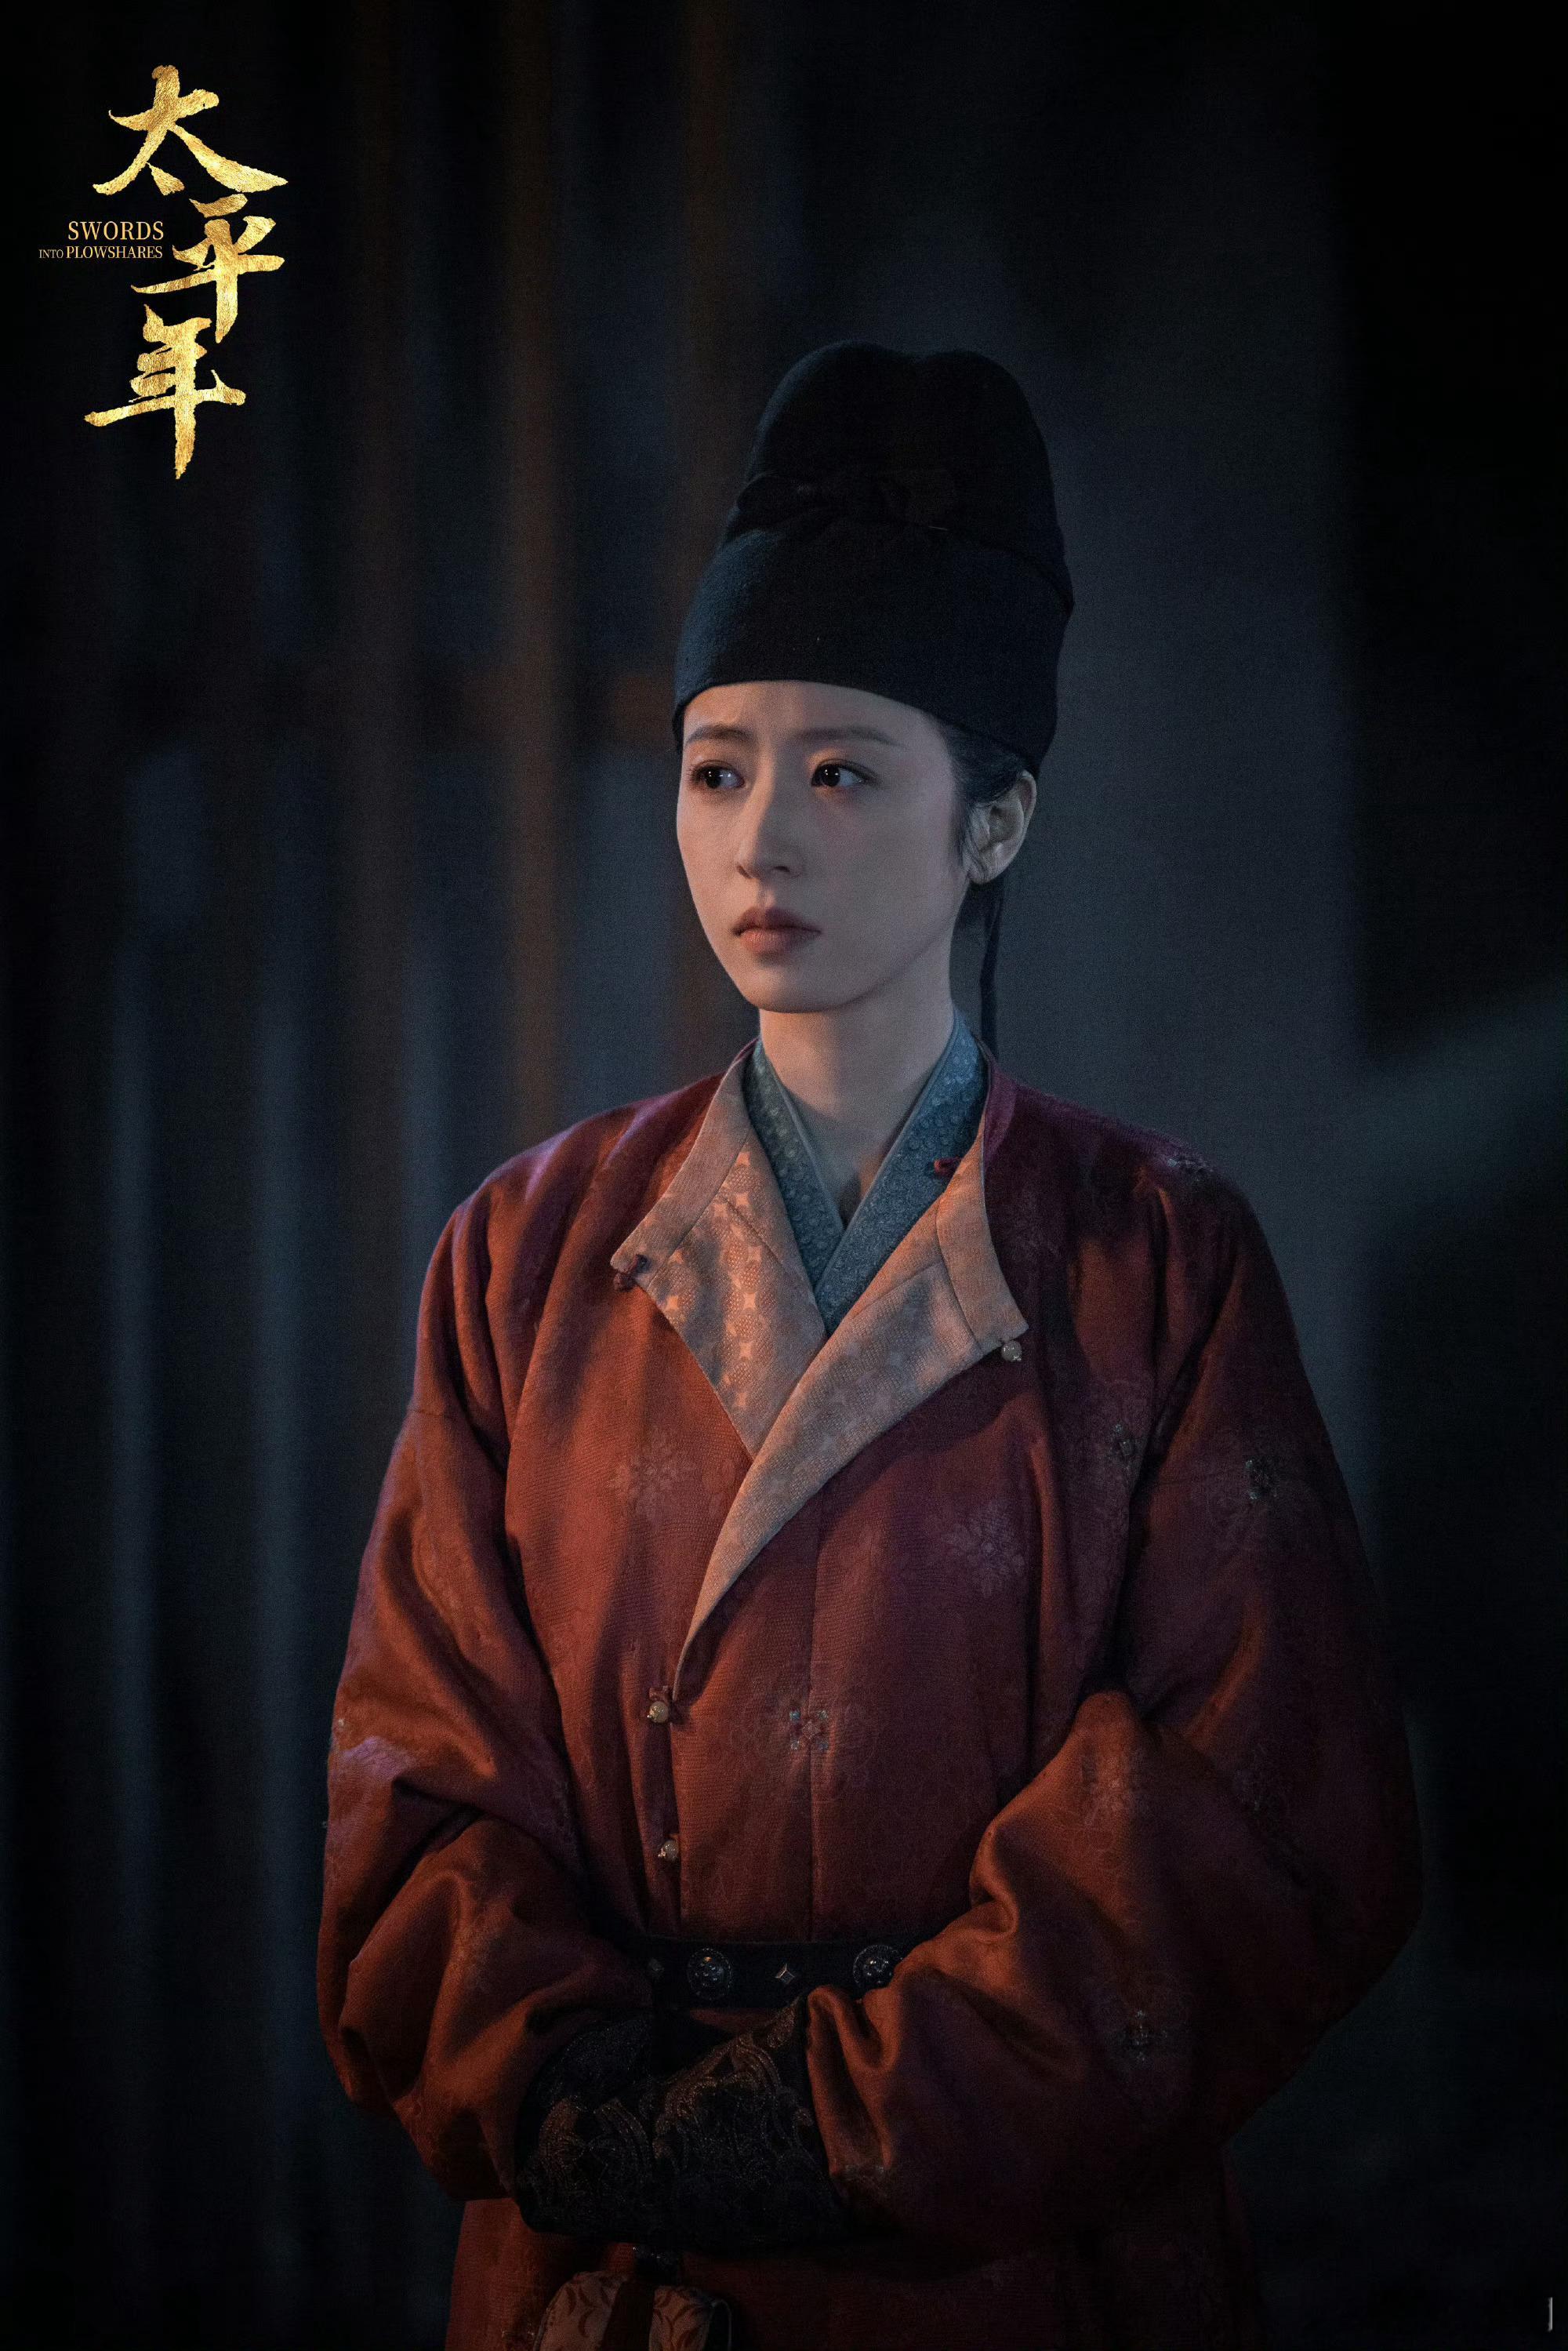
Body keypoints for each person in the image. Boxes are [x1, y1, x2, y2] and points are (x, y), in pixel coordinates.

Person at [318, 342, 1423, 2351]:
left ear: (992, 822)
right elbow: (421, 1772)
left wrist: (822, 2123)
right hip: (610, 2254)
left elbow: (1263, 1803)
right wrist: (567, 2098)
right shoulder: (527, 1254)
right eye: (717, 768)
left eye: (841, 773)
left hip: (1007, 2246)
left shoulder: (1153, 1258)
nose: (763, 841)